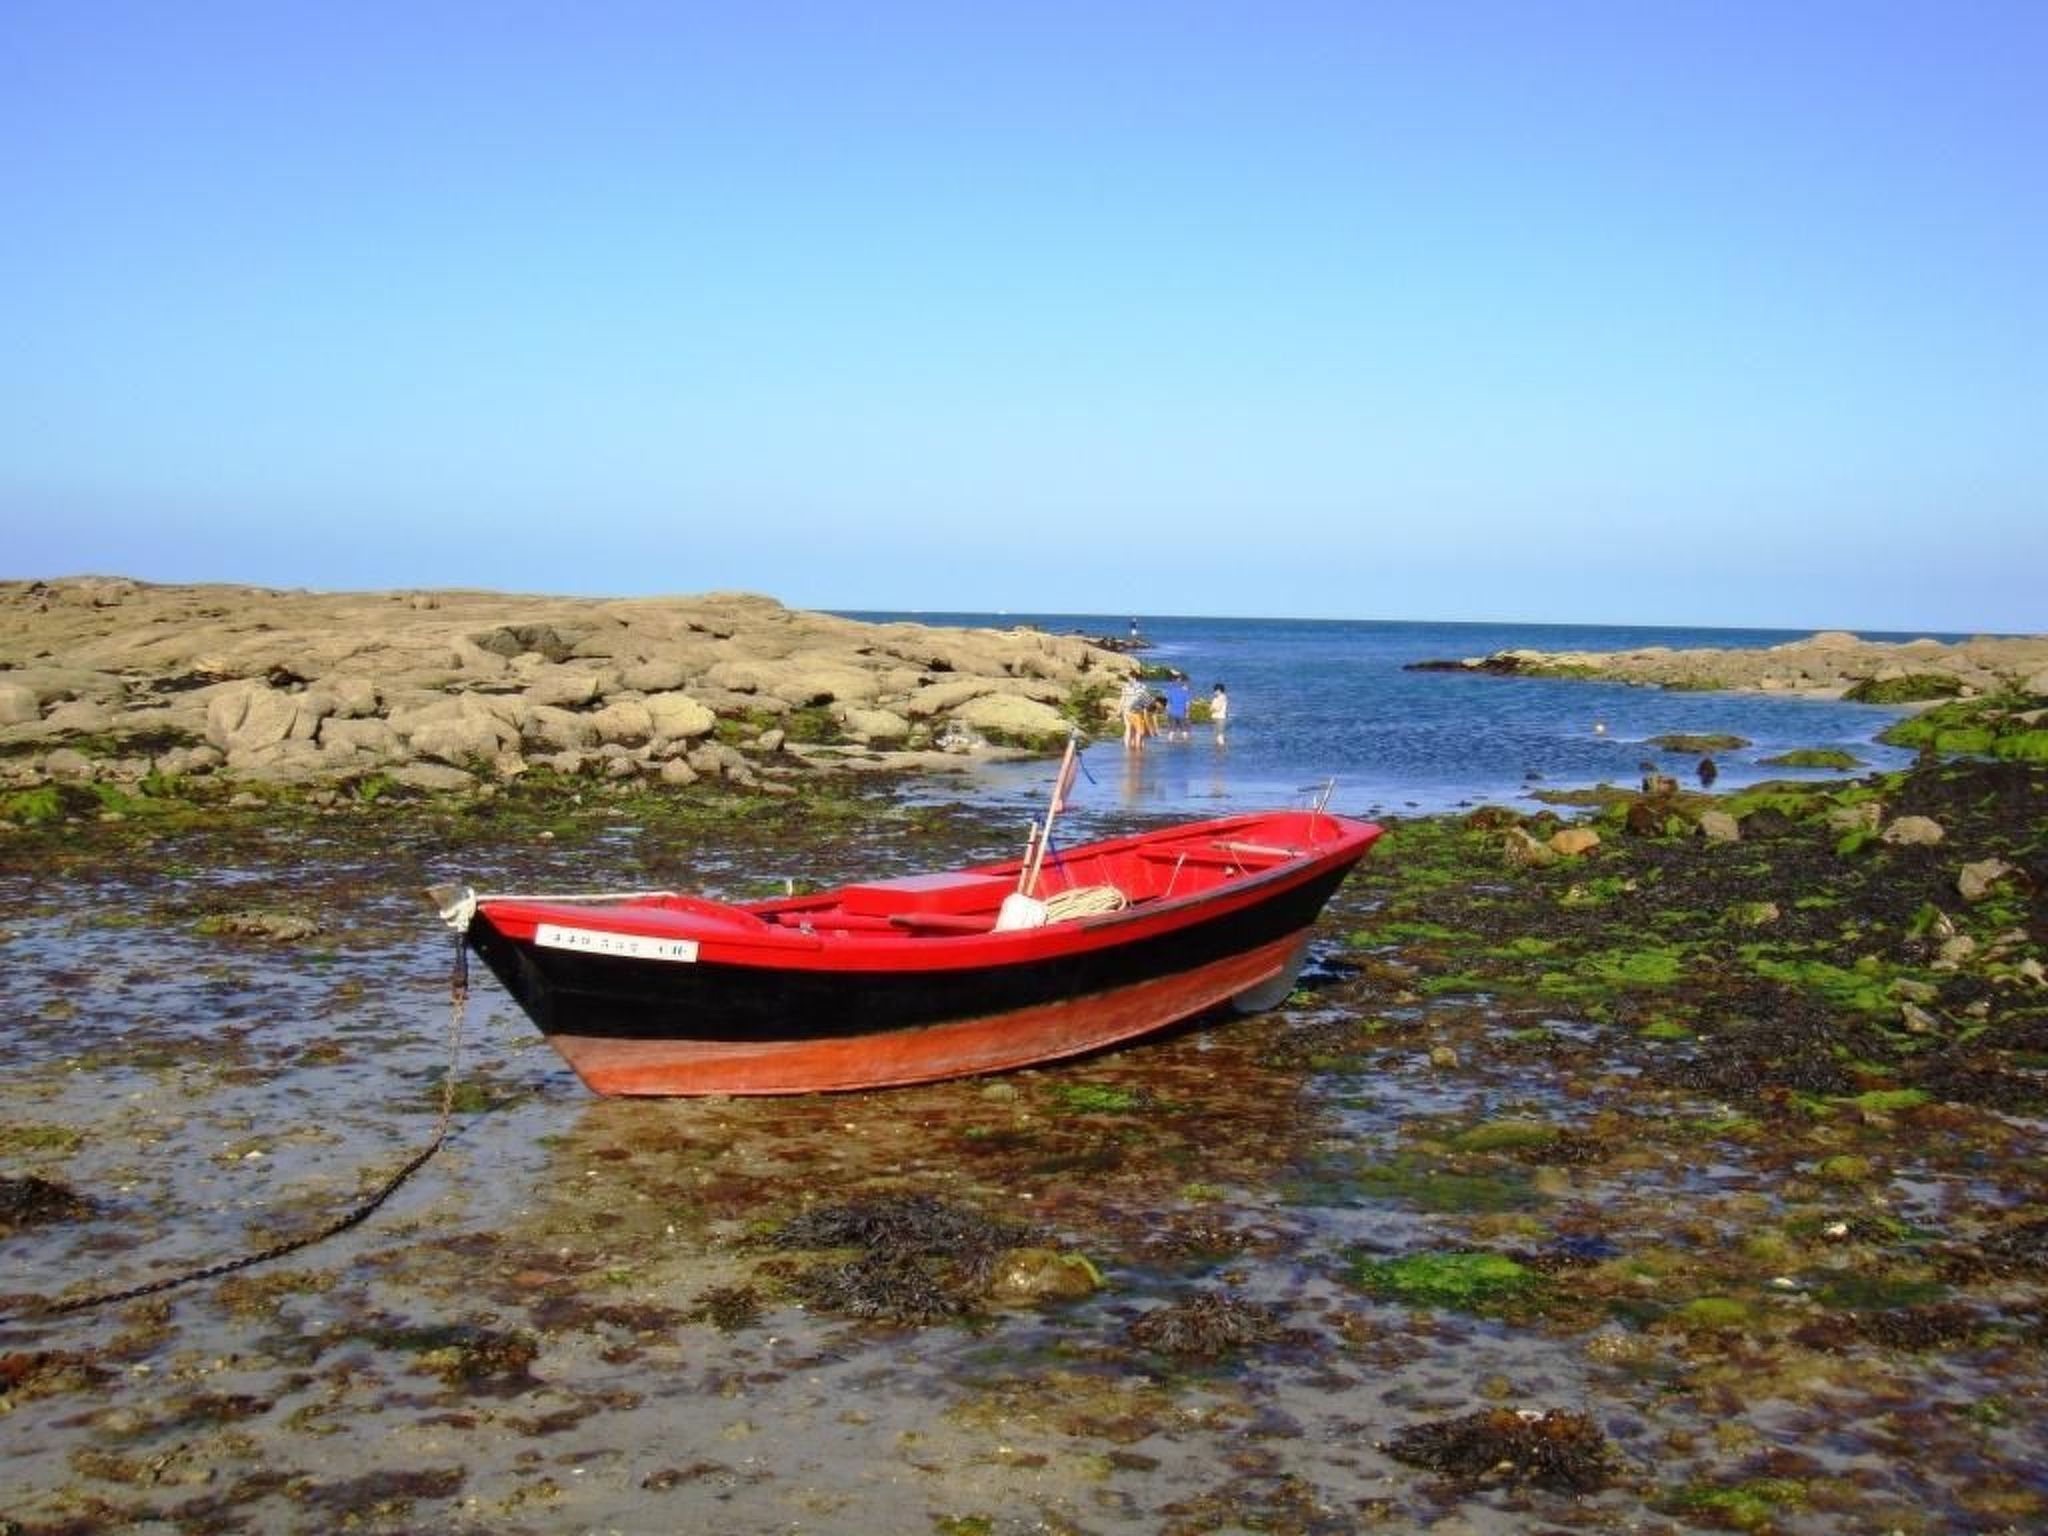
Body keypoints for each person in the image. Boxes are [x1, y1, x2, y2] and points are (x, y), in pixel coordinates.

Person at [1118, 675, 1151, 750]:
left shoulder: (1125, 686)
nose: (1128, 679)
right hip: (1136, 711)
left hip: (1126, 710)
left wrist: (1119, 709)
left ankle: (1127, 747)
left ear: (1134, 678)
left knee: (1128, 728)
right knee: (1137, 730)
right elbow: (1144, 699)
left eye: (1129, 678)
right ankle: (1137, 748)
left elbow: (1122, 698)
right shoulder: (1142, 686)